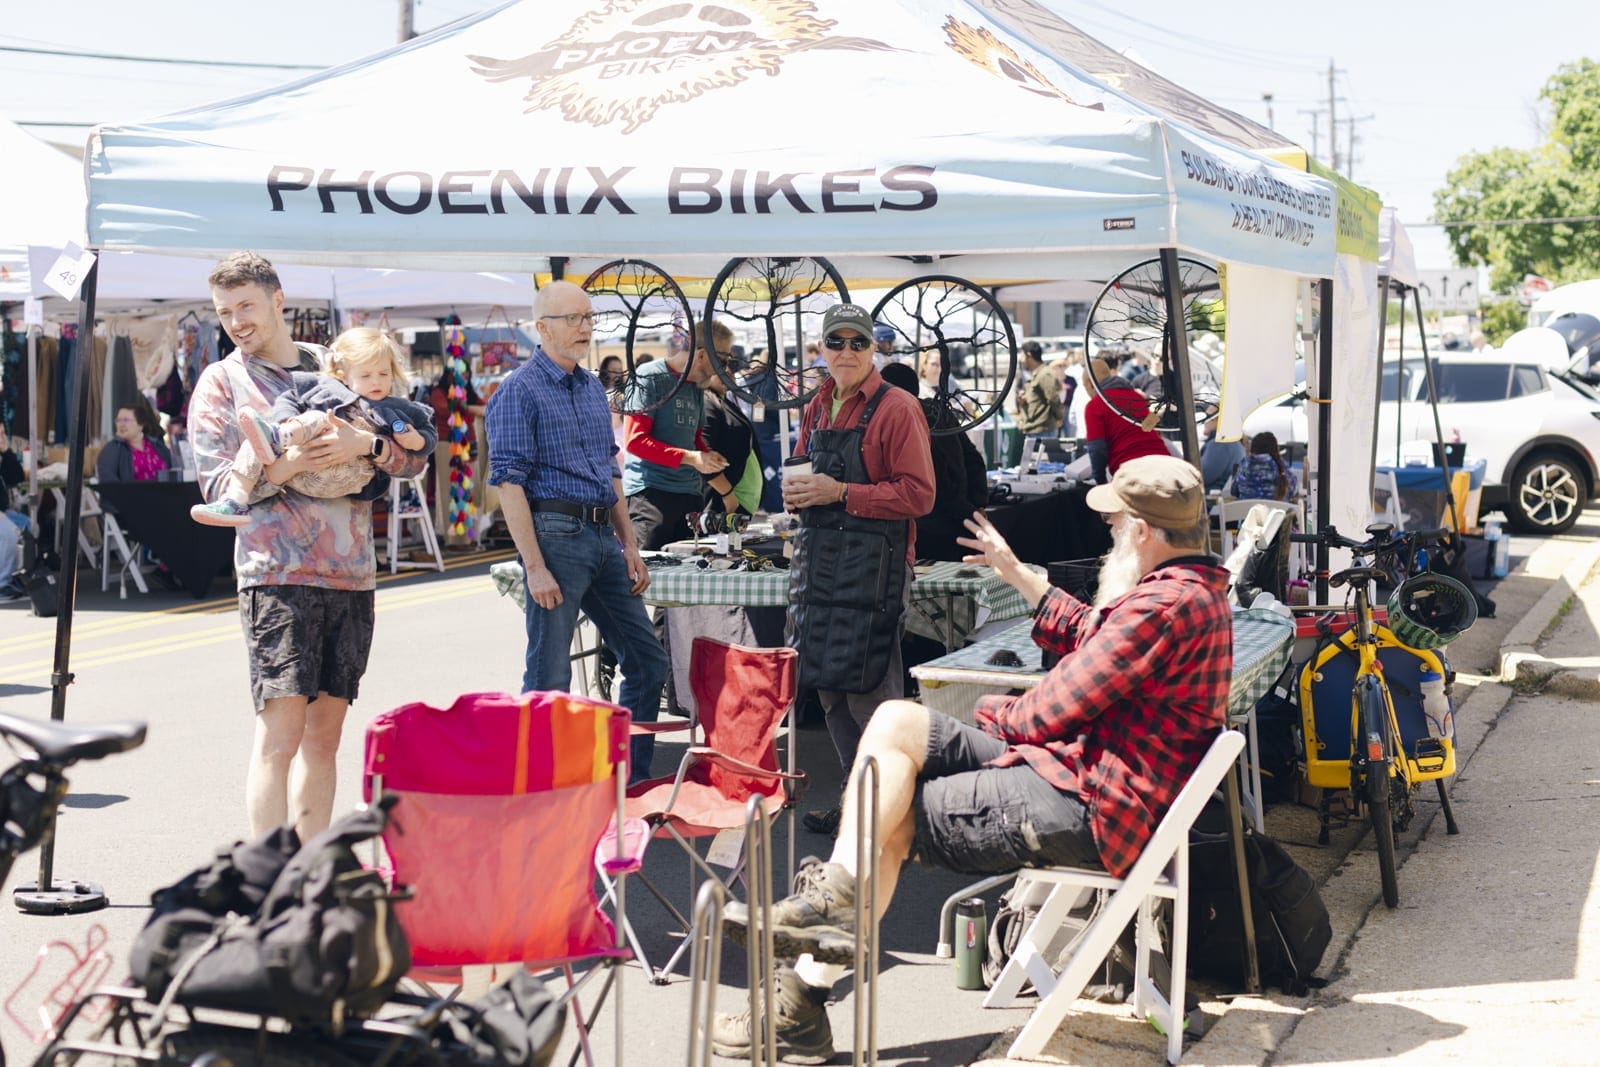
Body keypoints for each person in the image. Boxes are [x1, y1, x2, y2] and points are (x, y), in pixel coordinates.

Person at [714, 455, 1232, 1061]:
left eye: (1117, 526)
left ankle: (801, 995)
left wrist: (985, 709)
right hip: (1083, 777)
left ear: (1143, 531)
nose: (1112, 536)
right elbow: (1094, 637)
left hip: (1088, 802)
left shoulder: (1161, 606)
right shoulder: (1189, 593)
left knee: (890, 810)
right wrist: (1018, 575)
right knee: (897, 719)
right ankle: (832, 903)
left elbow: (1044, 715)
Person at [191, 251, 427, 842]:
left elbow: (410, 458)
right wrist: (290, 462)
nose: (237, 321)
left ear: (278, 300)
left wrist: (364, 449)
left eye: (246, 305)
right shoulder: (222, 383)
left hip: (350, 575)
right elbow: (221, 488)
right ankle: (268, 883)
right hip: (277, 574)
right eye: (225, 312)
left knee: (326, 738)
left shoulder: (339, 366)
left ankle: (308, 876)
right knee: (280, 737)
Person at [485, 280, 669, 781]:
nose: (585, 327)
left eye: (588, 317)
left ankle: (629, 784)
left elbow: (610, 471)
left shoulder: (591, 387)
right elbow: (508, 484)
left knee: (648, 661)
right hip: (555, 533)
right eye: (573, 319)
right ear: (542, 328)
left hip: (600, 536)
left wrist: (630, 545)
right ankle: (545, 788)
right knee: (550, 673)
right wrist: (535, 565)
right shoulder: (518, 391)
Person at [786, 303, 935, 833]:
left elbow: (919, 496)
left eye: (857, 342)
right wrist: (797, 492)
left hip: (876, 568)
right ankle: (859, 802)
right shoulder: (818, 405)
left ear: (875, 349)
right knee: (829, 690)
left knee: (872, 691)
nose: (846, 352)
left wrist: (841, 491)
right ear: (821, 350)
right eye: (836, 342)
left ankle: (894, 812)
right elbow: (805, 467)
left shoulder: (898, 408)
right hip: (820, 565)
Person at [190, 327, 436, 527]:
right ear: (343, 374)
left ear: (278, 301)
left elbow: (422, 447)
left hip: (350, 476)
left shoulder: (397, 406)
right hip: (300, 483)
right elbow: (289, 399)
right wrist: (288, 440)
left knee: (317, 418)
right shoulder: (326, 386)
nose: (376, 382)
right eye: (366, 375)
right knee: (258, 441)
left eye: (383, 374)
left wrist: (375, 443)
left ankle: (279, 437)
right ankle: (236, 499)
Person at [622, 323, 731, 549]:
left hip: (689, 496)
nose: (723, 370)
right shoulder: (650, 376)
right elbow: (635, 441)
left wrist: (707, 457)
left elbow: (695, 438)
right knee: (648, 576)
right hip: (651, 496)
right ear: (701, 354)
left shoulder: (696, 388)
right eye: (722, 361)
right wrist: (692, 458)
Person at [881, 361, 986, 562]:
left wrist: (971, 510)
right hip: (957, 520)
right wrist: (977, 506)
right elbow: (972, 458)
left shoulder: (904, 418)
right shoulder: (939, 411)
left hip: (931, 525)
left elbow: (938, 476)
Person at [1082, 357, 1170, 484]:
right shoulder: (1136, 397)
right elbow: (1150, 428)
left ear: (1090, 384)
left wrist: (1100, 481)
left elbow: (1097, 448)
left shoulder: (1094, 406)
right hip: (1162, 463)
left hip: (1131, 471)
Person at [96, 401, 173, 484]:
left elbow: (172, 471)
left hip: (162, 495)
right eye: (118, 420)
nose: (121, 425)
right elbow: (109, 484)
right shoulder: (111, 450)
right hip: (131, 496)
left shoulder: (158, 445)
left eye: (126, 420)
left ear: (141, 424)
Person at [1013, 340, 1065, 448]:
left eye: (1022, 355)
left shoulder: (1045, 374)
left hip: (1043, 430)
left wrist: (1059, 417)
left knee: (1043, 464)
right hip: (1035, 429)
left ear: (1029, 355)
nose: (1021, 360)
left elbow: (1053, 398)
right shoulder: (1038, 373)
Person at [0, 428, 28, 602]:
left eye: (3, 433)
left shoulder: (3, 456)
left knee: (27, 526)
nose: (3, 437)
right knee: (11, 534)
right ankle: (2, 585)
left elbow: (16, 477)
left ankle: (16, 576)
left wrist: (6, 451)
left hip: (4, 510)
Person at [1229, 429, 1298, 501]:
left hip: (1246, 511)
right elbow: (1294, 490)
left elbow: (1234, 491)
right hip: (1276, 511)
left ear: (1253, 449)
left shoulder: (1244, 465)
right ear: (1275, 450)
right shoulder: (1281, 467)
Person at [1199, 416, 1247, 493]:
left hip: (1210, 500)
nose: (1204, 422)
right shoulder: (1234, 443)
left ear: (1220, 420)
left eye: (1208, 417)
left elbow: (1202, 477)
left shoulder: (1220, 444)